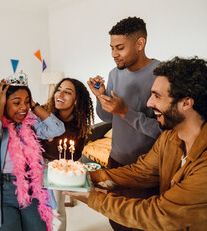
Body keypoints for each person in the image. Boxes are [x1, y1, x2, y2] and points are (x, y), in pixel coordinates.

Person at [65, 56, 207, 230]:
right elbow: (141, 172)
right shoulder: (170, 138)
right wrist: (87, 177)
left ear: (186, 103)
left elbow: (158, 214)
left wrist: (92, 197)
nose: (149, 103)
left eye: (157, 96)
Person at [87, 16, 162, 230]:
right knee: (116, 218)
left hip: (145, 167)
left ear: (140, 44)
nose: (113, 54)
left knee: (139, 221)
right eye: (111, 48)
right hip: (115, 161)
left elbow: (163, 131)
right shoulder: (114, 74)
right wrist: (100, 97)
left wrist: (125, 111)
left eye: (119, 47)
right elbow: (107, 117)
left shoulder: (160, 75)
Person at [0, 73, 65, 231]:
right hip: (2, 191)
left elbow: (57, 128)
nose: (23, 107)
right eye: (17, 102)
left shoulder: (29, 123)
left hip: (32, 189)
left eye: (26, 102)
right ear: (2, 102)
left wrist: (34, 105)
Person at [41, 78, 94, 231]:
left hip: (58, 170)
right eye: (59, 89)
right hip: (36, 165)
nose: (60, 94)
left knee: (56, 210)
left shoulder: (79, 124)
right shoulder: (43, 113)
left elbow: (75, 155)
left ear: (76, 100)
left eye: (67, 92)